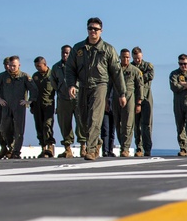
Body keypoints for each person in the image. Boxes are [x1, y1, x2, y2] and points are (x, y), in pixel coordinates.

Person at [65, 17, 125, 161]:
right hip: (83, 85)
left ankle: (91, 150)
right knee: (82, 118)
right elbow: (70, 69)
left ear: (101, 31)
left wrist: (122, 93)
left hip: (100, 85)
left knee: (94, 117)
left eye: (96, 29)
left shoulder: (108, 49)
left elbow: (117, 72)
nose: (93, 31)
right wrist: (71, 85)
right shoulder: (78, 48)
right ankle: (97, 142)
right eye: (90, 28)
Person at [0, 56, 37, 159]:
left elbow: (34, 89)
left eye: (14, 66)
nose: (12, 68)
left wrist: (29, 101)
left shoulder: (24, 77)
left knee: (18, 130)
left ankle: (16, 152)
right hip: (6, 106)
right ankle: (9, 146)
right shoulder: (2, 76)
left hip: (19, 106)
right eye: (10, 66)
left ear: (19, 65)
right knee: (3, 127)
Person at [50, 45, 82, 158]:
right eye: (63, 52)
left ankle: (83, 146)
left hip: (77, 98)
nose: (65, 55)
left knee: (82, 122)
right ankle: (68, 148)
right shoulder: (56, 67)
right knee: (64, 123)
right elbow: (53, 82)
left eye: (67, 53)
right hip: (63, 99)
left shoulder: (78, 65)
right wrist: (60, 90)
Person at [113, 49, 143, 157]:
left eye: (127, 57)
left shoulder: (134, 70)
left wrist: (139, 102)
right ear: (120, 57)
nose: (125, 59)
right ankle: (122, 145)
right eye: (123, 57)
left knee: (128, 124)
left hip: (130, 98)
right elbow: (108, 85)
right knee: (118, 123)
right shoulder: (115, 70)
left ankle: (125, 148)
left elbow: (140, 87)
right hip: (116, 98)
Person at [30, 56, 56, 157]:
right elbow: (32, 91)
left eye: (39, 66)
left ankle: (50, 145)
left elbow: (57, 89)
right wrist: (31, 105)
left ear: (45, 64)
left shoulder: (52, 74)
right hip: (37, 105)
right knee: (39, 126)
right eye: (36, 66)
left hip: (48, 104)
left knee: (47, 125)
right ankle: (43, 148)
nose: (37, 68)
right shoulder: (35, 76)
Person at [131, 47, 155, 157]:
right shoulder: (130, 67)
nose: (137, 60)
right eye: (135, 58)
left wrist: (138, 77)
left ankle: (147, 148)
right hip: (134, 98)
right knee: (136, 125)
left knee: (147, 125)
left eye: (139, 58)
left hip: (146, 97)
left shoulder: (148, 66)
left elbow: (150, 75)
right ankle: (139, 148)